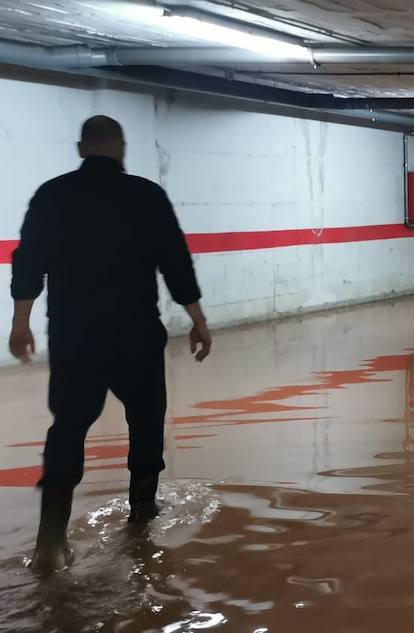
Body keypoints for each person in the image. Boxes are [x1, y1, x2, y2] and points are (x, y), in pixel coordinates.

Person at [7, 115, 212, 572]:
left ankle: (51, 542)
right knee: (145, 421)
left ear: (82, 148)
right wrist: (197, 319)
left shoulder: (51, 195)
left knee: (68, 427)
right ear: (121, 149)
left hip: (75, 335)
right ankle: (141, 525)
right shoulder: (147, 195)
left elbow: (28, 261)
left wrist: (20, 323)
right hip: (135, 333)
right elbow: (176, 262)